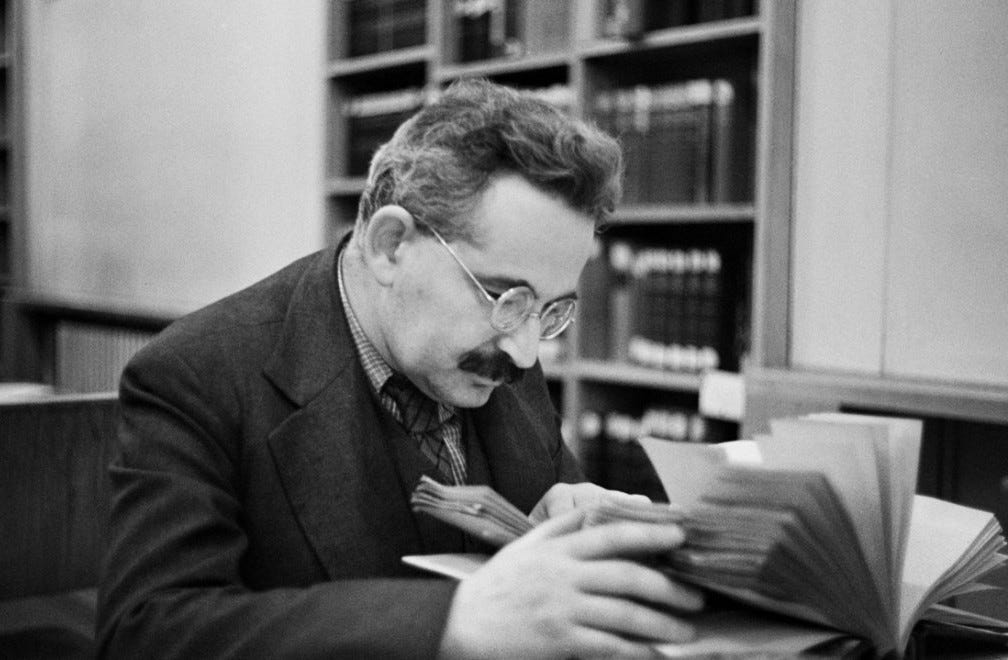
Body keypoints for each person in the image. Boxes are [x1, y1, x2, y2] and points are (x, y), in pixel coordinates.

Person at [97, 79, 703, 659]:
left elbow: (537, 583)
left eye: (549, 311)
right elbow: (147, 634)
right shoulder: (196, 376)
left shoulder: (500, 354)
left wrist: (565, 528)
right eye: (505, 298)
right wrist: (451, 624)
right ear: (391, 245)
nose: (525, 352)